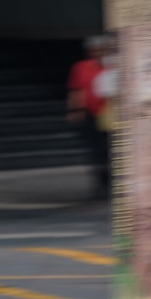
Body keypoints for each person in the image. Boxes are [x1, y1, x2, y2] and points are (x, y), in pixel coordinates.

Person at [67, 35, 109, 199]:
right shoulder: (81, 67)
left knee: (110, 151)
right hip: (91, 115)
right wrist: (74, 110)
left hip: (110, 116)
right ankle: (101, 184)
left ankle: (113, 184)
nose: (97, 53)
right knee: (96, 152)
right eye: (93, 50)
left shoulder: (112, 66)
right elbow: (76, 90)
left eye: (100, 50)